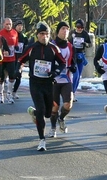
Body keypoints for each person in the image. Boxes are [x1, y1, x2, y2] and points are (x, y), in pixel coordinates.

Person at [17, 21, 66, 151]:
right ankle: (42, 140)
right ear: (37, 35)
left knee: (48, 113)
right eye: (42, 34)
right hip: (35, 84)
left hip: (48, 83)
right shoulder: (32, 47)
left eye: (47, 34)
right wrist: (18, 70)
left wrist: (56, 72)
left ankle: (34, 112)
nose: (45, 36)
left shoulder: (53, 48)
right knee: (41, 110)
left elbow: (62, 63)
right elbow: (21, 59)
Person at [48, 21, 77, 138]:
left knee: (68, 104)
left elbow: (73, 63)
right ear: (58, 31)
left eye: (67, 29)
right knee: (54, 107)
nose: (65, 31)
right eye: (63, 29)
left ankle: (61, 118)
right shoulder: (51, 45)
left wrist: (74, 66)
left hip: (66, 80)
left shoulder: (71, 46)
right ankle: (53, 128)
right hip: (54, 81)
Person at [69, 19, 91, 102]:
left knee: (78, 77)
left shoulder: (85, 34)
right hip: (73, 56)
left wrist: (86, 44)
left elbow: (90, 44)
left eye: (81, 27)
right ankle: (71, 93)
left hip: (81, 56)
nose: (80, 29)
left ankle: (73, 92)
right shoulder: (72, 33)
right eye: (78, 27)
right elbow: (67, 42)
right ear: (76, 27)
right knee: (76, 75)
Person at [0, 18, 19, 104]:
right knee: (1, 78)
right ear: (3, 24)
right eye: (6, 24)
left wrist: (16, 47)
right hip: (2, 60)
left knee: (12, 77)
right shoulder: (0, 33)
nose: (8, 26)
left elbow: (16, 44)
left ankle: (9, 94)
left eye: (9, 24)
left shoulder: (15, 32)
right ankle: (1, 96)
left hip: (11, 59)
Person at [12, 20, 28, 99]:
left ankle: (14, 92)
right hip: (11, 58)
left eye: (21, 26)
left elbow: (26, 47)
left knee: (18, 75)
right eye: (18, 25)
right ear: (15, 27)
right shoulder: (12, 35)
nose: (20, 27)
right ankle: (7, 91)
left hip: (20, 59)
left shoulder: (24, 37)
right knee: (11, 75)